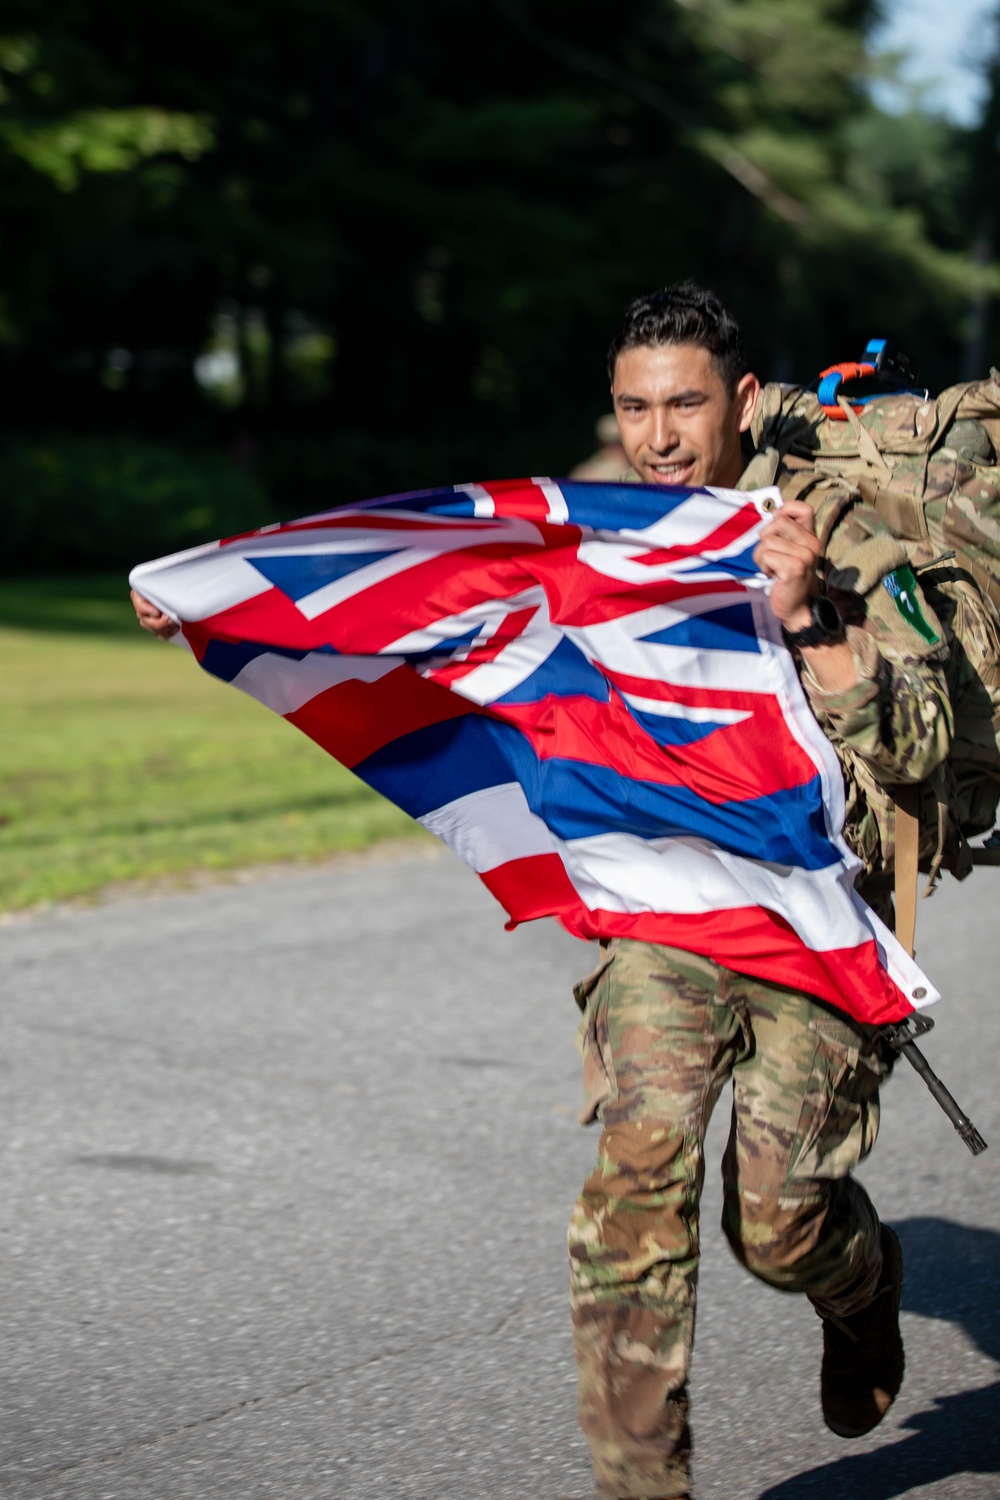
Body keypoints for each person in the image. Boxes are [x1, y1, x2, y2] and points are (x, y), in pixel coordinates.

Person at [568, 283, 953, 1499]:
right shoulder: (594, 531)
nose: (658, 436)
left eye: (684, 404)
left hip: (816, 922)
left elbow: (925, 742)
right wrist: (228, 612)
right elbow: (437, 610)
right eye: (635, 408)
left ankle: (862, 1285)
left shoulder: (838, 528)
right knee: (636, 1182)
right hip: (663, 919)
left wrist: (809, 621)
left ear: (739, 401)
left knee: (777, 1222)